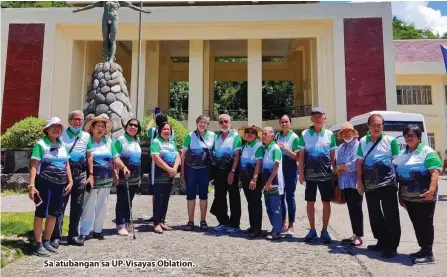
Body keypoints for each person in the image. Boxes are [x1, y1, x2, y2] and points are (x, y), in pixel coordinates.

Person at [394, 126, 442, 264]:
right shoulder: (404, 153)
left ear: (419, 137)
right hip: (408, 198)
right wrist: (401, 195)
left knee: (425, 224)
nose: (409, 138)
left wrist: (431, 191)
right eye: (406, 135)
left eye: (412, 135)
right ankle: (423, 249)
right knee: (417, 224)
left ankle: (428, 254)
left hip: (424, 197)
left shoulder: (428, 152)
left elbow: (435, 173)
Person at [356, 114, 401, 258]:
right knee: (375, 214)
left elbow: (397, 163)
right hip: (370, 184)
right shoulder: (362, 141)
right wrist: (359, 182)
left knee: (391, 215)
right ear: (368, 126)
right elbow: (359, 163)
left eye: (379, 125)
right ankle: (381, 241)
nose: (377, 127)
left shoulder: (391, 141)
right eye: (374, 125)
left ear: (383, 126)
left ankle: (392, 246)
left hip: (388, 184)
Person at [79, 115, 130, 240]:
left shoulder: (108, 141)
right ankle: (84, 231)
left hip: (106, 179)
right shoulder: (87, 140)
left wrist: (123, 167)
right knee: (89, 204)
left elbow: (115, 158)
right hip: (92, 178)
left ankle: (97, 230)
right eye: (98, 126)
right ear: (92, 128)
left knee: (102, 204)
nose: (101, 129)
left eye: (103, 126)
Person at [28, 117, 73, 256]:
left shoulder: (63, 145)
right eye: (53, 126)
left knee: (54, 214)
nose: (56, 129)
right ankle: (38, 244)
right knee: (41, 213)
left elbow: (66, 164)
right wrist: (31, 185)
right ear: (47, 129)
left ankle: (47, 241)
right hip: (44, 183)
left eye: (59, 127)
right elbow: (33, 166)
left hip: (59, 185)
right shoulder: (41, 144)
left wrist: (70, 180)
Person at [51, 111, 91, 248]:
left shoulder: (86, 136)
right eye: (75, 119)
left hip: (80, 175)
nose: (78, 122)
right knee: (60, 205)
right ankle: (55, 236)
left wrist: (90, 174)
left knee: (77, 206)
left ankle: (73, 235)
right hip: (63, 175)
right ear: (69, 121)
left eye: (81, 119)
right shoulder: (61, 135)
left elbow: (89, 156)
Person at [298, 107, 336, 243]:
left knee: (326, 202)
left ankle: (325, 230)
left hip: (326, 175)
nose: (318, 118)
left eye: (320, 116)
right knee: (310, 202)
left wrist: (334, 169)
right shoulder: (304, 134)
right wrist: (301, 172)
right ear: (312, 119)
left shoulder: (330, 135)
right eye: (315, 116)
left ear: (324, 118)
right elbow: (301, 155)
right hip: (310, 174)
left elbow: (333, 154)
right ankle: (312, 229)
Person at [181, 115, 214, 231]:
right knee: (190, 195)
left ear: (207, 125)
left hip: (204, 169)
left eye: (205, 123)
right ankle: (190, 221)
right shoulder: (190, 135)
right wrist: (182, 171)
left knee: (203, 195)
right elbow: (183, 154)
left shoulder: (212, 136)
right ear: (197, 123)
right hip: (191, 169)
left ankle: (203, 220)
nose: (202, 124)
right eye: (200, 122)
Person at [210, 114, 243, 233]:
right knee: (219, 196)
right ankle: (223, 221)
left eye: (226, 121)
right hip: (219, 170)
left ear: (230, 123)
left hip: (231, 170)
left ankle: (234, 224)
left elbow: (237, 155)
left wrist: (233, 171)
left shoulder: (236, 136)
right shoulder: (216, 137)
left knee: (234, 197)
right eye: (221, 122)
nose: (224, 124)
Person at [335, 122, 363, 247]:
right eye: (344, 131)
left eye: (349, 131)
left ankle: (358, 236)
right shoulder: (340, 147)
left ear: (354, 133)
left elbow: (356, 162)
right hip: (344, 183)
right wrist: (337, 169)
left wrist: (343, 167)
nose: (347, 133)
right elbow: (337, 163)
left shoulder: (359, 145)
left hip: (355, 183)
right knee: (351, 209)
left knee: (356, 209)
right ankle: (354, 234)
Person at [150, 121, 181, 233]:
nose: (167, 131)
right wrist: (169, 169)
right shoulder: (156, 142)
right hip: (159, 176)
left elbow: (178, 156)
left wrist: (175, 169)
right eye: (164, 129)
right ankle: (156, 223)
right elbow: (156, 158)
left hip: (170, 176)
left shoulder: (171, 143)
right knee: (158, 198)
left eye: (168, 129)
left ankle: (162, 221)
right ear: (160, 130)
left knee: (165, 199)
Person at [114, 119, 142, 236]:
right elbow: (115, 157)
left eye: (136, 126)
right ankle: (120, 224)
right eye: (130, 125)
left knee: (129, 200)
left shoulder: (136, 140)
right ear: (126, 127)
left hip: (135, 177)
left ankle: (126, 223)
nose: (133, 127)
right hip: (123, 176)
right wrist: (115, 173)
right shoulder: (120, 140)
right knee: (122, 200)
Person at [145, 113, 175, 223]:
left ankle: (157, 216)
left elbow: (146, 129)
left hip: (155, 165)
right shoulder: (171, 131)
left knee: (156, 191)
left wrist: (152, 120)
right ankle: (159, 217)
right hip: (168, 164)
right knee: (163, 193)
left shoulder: (153, 131)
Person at [275, 114, 300, 234]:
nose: (284, 124)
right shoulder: (277, 136)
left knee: (289, 197)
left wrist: (285, 149)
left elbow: (297, 157)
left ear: (290, 123)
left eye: (286, 122)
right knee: (280, 196)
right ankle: (283, 222)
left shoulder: (295, 137)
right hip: (279, 169)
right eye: (282, 122)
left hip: (290, 169)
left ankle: (291, 223)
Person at [238, 124, 264, 238]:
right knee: (250, 203)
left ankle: (257, 228)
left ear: (256, 135)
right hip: (245, 177)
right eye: (248, 132)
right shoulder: (245, 146)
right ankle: (252, 226)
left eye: (252, 132)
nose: (249, 134)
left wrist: (254, 178)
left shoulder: (258, 146)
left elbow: (259, 163)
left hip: (254, 178)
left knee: (256, 203)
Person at [261, 127, 284, 240]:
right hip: (266, 183)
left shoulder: (275, 148)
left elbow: (276, 166)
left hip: (274, 183)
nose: (263, 136)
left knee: (275, 207)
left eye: (265, 134)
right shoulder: (265, 148)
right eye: (262, 134)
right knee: (269, 207)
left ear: (272, 135)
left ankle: (277, 231)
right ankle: (274, 228)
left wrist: (269, 181)